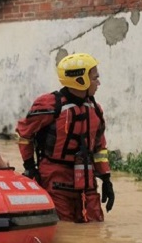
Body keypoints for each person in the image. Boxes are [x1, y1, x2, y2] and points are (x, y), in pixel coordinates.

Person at [16, 53, 114, 223]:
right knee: (63, 227)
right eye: (95, 78)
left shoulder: (95, 109)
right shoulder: (49, 105)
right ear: (80, 79)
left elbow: (99, 148)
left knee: (95, 225)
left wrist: (106, 179)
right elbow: (25, 134)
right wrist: (30, 167)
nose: (99, 83)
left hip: (86, 178)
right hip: (55, 178)